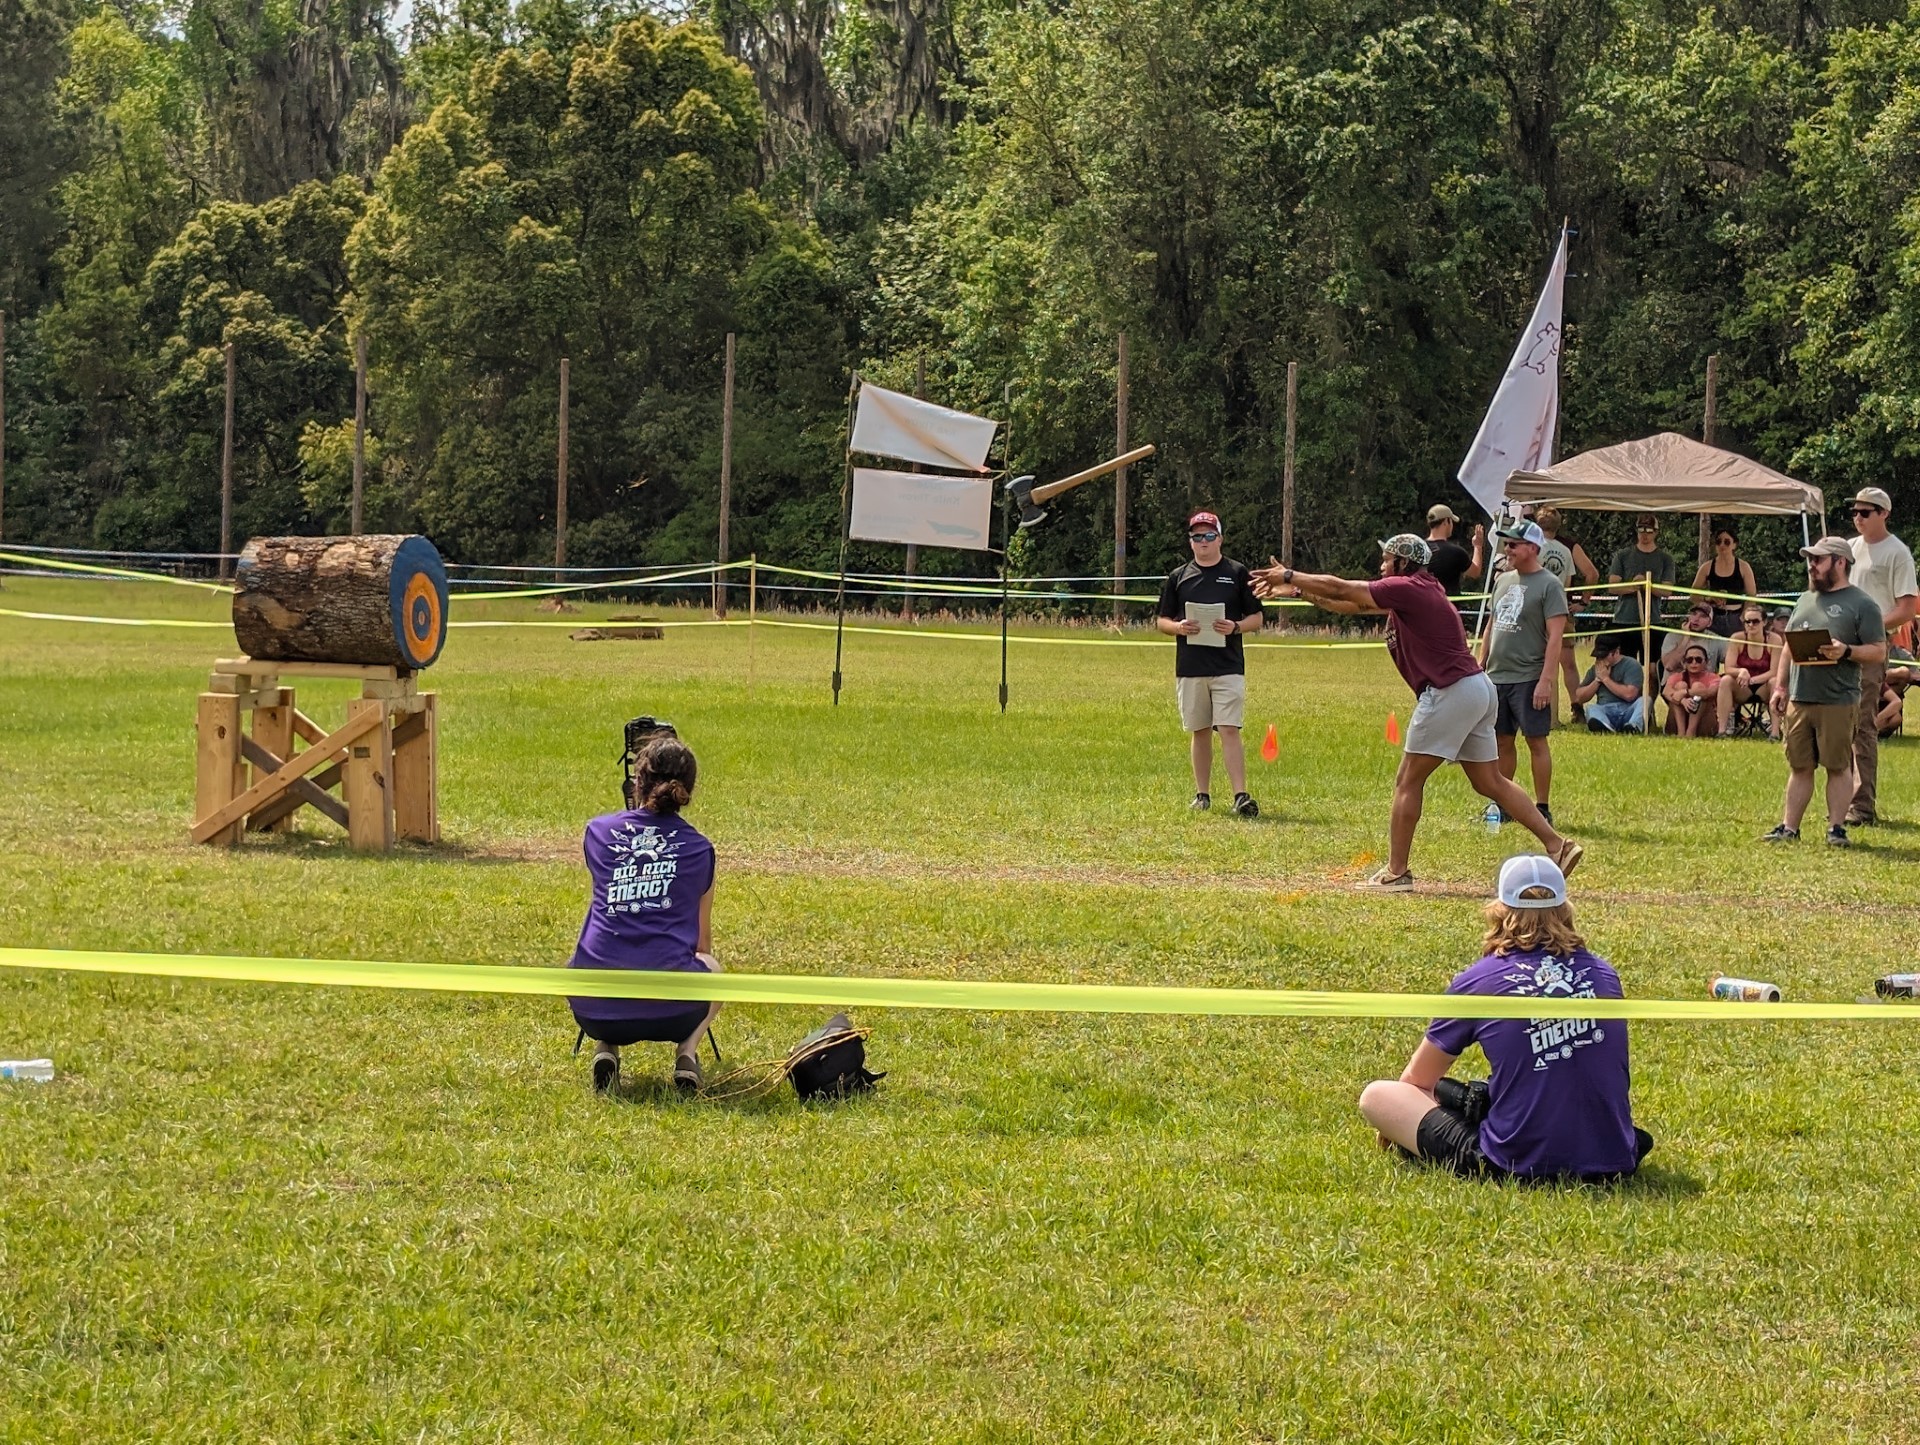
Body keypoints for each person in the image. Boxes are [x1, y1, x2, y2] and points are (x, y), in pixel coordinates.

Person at [1252, 535, 1583, 891]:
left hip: (1450, 692)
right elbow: (1351, 605)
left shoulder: (1409, 588)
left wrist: (1290, 575)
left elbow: (1342, 587)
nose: (1382, 566)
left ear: (1404, 563)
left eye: (1387, 559)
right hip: (1475, 688)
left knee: (1408, 781)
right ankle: (1557, 846)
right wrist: (1301, 592)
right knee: (1490, 782)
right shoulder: (1420, 588)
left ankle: (1397, 873)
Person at [1357, 855, 1653, 1182]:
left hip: (1516, 1163)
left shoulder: (1479, 981)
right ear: (1565, 909)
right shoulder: (1604, 975)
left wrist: (1397, 1124)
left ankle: (1478, 1112)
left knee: (1378, 1096)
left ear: (1499, 910)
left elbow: (1416, 1081)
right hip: (1612, 1156)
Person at [567, 735, 721, 1094]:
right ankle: (687, 1053)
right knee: (713, 969)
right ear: (688, 791)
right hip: (674, 1011)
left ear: (637, 781)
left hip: (593, 1008)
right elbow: (702, 943)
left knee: (597, 951)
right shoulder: (700, 850)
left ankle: (606, 1047)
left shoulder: (598, 833)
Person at [1763, 536, 1886, 847]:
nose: (1811, 566)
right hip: (1801, 698)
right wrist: (1780, 687)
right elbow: (1789, 647)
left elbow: (1878, 652)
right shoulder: (1804, 600)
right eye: (1810, 560)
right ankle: (1789, 828)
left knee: (1837, 765)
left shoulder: (1863, 604)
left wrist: (1845, 651)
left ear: (1840, 562)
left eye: (1818, 560)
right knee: (1800, 766)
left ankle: (1836, 829)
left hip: (1838, 700)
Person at [1155, 511, 1263, 816]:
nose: (1203, 542)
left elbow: (1257, 617)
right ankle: (1202, 795)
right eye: (1197, 537)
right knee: (1199, 730)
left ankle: (1241, 796)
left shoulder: (1238, 573)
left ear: (1220, 538)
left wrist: (1236, 627)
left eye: (1209, 535)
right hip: (1191, 665)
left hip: (1228, 664)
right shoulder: (1178, 577)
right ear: (1190, 542)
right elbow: (1161, 620)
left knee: (1229, 728)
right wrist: (1178, 627)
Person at [1476, 520, 1568, 823]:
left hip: (1529, 677)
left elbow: (1556, 636)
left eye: (1514, 544)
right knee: (1502, 740)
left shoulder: (1550, 585)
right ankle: (1502, 806)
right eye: (1507, 543)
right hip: (1497, 675)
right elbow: (1492, 623)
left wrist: (1546, 680)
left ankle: (1542, 808)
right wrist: (1480, 662)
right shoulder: (1503, 581)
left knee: (1536, 741)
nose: (1507, 549)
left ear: (1532, 547)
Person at [1845, 487, 1918, 826]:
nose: (1858, 517)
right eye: (1855, 512)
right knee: (1836, 724)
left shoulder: (1897, 552)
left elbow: (1906, 608)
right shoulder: (1848, 549)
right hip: (1838, 646)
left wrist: (1868, 625)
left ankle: (1861, 807)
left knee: (1861, 725)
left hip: (1872, 647)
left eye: (1865, 512)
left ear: (1884, 513)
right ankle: (1840, 799)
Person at [1535, 507, 1597, 721]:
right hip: (1562, 608)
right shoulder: (1567, 548)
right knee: (1568, 663)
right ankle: (1576, 707)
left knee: (1538, 662)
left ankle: (1543, 711)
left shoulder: (1533, 546)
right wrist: (1582, 602)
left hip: (1537, 609)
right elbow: (1584, 576)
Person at [1607, 515, 1675, 657]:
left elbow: (1667, 590)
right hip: (1624, 620)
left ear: (1656, 532)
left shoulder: (1665, 559)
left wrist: (1647, 586)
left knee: (1652, 669)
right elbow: (1612, 587)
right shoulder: (1622, 555)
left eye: (1649, 530)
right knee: (1625, 666)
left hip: (1653, 620)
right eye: (1641, 529)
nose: (1645, 534)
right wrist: (1633, 586)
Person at [1659, 600, 1727, 729]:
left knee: (1701, 686)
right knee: (1681, 685)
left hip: (1704, 687)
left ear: (1710, 622)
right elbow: (1669, 666)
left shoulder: (1717, 640)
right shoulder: (1672, 637)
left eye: (1703, 616)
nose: (1696, 619)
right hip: (1674, 687)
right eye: (1694, 614)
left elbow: (1732, 660)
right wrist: (1686, 638)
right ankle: (1682, 731)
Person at [1717, 605, 1778, 737]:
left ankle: (1775, 732)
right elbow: (1728, 668)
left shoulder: (1774, 640)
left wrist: (1753, 679)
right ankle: (1722, 731)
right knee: (1726, 680)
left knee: (1775, 681)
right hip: (1742, 686)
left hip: (1765, 685)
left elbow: (1774, 671)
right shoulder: (1737, 638)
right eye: (1747, 621)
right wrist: (1741, 671)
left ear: (1764, 622)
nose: (1751, 625)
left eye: (1755, 621)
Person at [1692, 524, 1759, 637]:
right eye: (1719, 542)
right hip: (1712, 616)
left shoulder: (1743, 567)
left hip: (1736, 617)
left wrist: (1743, 618)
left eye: (1727, 542)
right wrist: (1708, 598)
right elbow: (1693, 595)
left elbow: (1751, 596)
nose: (1722, 545)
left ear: (1734, 545)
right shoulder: (1707, 567)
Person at [1573, 633, 1645, 733]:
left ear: (1616, 652)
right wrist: (1597, 680)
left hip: (1628, 708)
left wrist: (1606, 679)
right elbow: (1579, 697)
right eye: (1598, 656)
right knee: (1591, 708)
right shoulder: (1596, 669)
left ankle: (1633, 726)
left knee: (1645, 701)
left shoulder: (1631, 665)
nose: (1600, 659)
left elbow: (1630, 694)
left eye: (1604, 655)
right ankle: (1604, 726)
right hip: (1605, 708)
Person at [1424, 504, 1485, 598]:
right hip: (1447, 608)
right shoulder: (1456, 552)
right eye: (1451, 521)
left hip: (1420, 607)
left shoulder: (1418, 549)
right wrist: (1478, 546)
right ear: (1446, 521)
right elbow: (1475, 572)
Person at [1666, 644, 1720, 737]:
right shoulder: (1676, 677)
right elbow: (1666, 692)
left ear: (1706, 662)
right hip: (1677, 722)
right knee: (1680, 685)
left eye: (1698, 660)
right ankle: (1681, 733)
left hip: (1704, 723)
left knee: (1698, 687)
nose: (1693, 663)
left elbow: (1709, 693)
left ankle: (1691, 732)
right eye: (1689, 660)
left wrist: (1685, 692)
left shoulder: (1713, 678)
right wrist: (1682, 701)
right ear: (1684, 663)